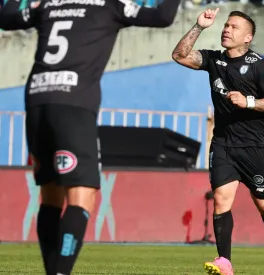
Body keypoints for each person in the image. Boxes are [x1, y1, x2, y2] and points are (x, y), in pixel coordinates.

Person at [0, 0, 180, 274]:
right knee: (82, 197)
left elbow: (6, 18)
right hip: (73, 105)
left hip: (37, 99)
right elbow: (163, 16)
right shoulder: (109, 5)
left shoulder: (48, 4)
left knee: (50, 196)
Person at [172, 8, 264, 275]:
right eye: (226, 25)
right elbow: (179, 55)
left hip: (254, 146)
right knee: (221, 199)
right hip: (223, 143)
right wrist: (199, 27)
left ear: (248, 37)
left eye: (234, 27)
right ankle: (225, 261)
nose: (226, 29)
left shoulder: (261, 65)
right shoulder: (214, 60)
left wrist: (249, 102)